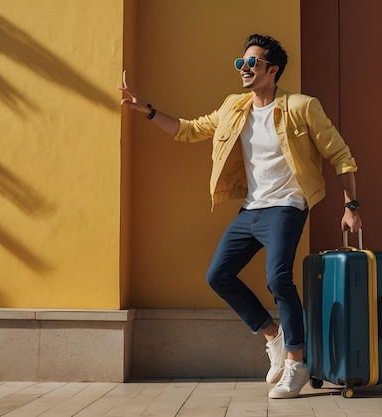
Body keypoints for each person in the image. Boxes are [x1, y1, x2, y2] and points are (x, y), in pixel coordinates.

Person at [119, 34, 362, 399]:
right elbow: (189, 130)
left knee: (278, 278)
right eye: (241, 63)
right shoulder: (234, 107)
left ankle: (297, 364)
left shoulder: (301, 106)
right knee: (218, 274)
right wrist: (148, 110)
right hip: (251, 208)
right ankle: (275, 338)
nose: (245, 69)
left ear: (272, 70)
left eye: (253, 63)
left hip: (287, 206)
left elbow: (341, 156)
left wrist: (351, 206)